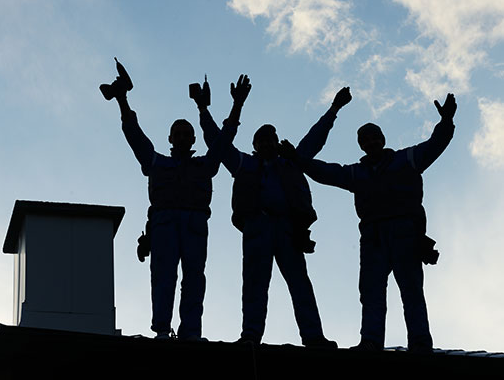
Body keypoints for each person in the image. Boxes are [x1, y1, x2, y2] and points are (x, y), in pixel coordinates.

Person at [279, 92, 457, 353]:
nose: (371, 142)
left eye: (374, 137)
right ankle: (371, 341)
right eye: (365, 139)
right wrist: (298, 160)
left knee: (411, 291)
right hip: (373, 238)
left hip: (405, 233)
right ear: (361, 145)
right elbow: (325, 172)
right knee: (372, 293)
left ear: (383, 140)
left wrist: (447, 121)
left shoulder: (406, 159)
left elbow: (436, 144)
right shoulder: (356, 173)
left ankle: (419, 343)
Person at [191, 74, 352, 347]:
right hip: (257, 227)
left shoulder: (291, 162)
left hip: (289, 229)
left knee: (300, 284)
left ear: (277, 142)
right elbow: (216, 141)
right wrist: (205, 109)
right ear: (255, 145)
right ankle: (251, 335)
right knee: (255, 285)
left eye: (271, 139)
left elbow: (315, 139)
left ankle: (313, 336)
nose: (267, 143)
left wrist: (334, 109)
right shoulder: (243, 164)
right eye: (262, 140)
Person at [101, 59, 222, 341]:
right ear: (170, 138)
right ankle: (162, 330)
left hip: (193, 224)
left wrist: (204, 109)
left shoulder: (204, 166)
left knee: (194, 279)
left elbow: (222, 143)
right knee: (163, 278)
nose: (181, 137)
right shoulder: (158, 163)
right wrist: (122, 100)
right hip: (164, 224)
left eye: (185, 134)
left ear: (193, 139)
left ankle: (190, 332)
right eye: (176, 134)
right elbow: (134, 136)